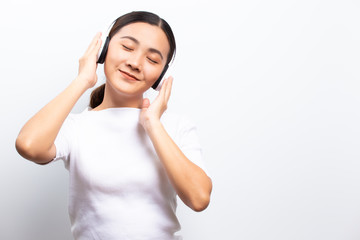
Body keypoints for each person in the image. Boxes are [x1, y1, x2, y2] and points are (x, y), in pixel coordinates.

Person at [15, 11, 212, 240]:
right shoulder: (77, 127)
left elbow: (199, 198)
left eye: (152, 59)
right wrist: (83, 80)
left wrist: (152, 124)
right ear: (104, 50)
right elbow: (28, 145)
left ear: (161, 75)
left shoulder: (175, 126)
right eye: (127, 47)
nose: (135, 63)